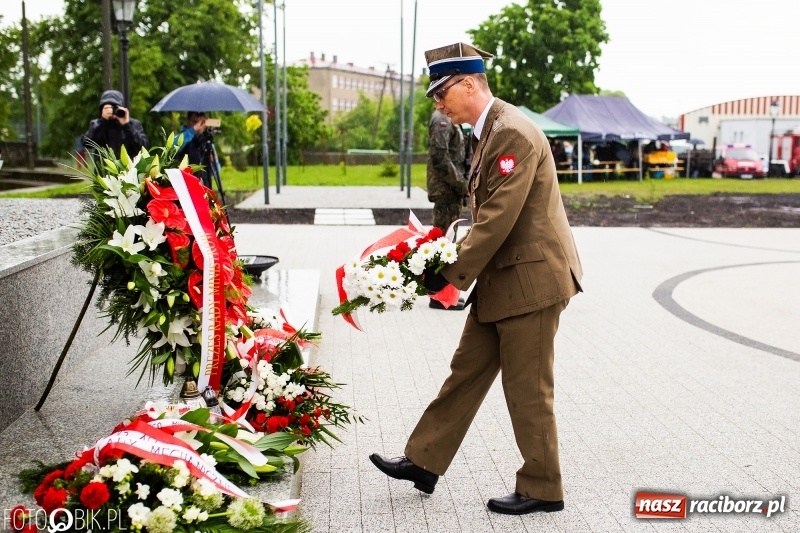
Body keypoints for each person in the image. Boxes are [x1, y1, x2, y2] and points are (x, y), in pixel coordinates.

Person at [369, 42, 583, 516]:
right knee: (465, 373)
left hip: (531, 283)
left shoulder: (512, 135)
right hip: (506, 278)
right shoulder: (491, 131)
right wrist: (436, 256)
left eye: (442, 92)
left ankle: (543, 488)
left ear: (470, 83)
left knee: (528, 389)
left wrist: (445, 274)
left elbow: (497, 220)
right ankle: (424, 461)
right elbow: (484, 216)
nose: (438, 103)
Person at [426, 108, 468, 310]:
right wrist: (462, 184)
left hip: (450, 189)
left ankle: (444, 293)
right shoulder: (442, 120)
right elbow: (440, 158)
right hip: (446, 188)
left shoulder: (449, 118)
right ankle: (438, 296)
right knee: (442, 242)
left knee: (447, 241)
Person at [83, 90, 148, 164]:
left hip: (129, 172)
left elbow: (143, 147)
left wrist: (126, 125)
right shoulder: (97, 124)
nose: (111, 111)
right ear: (102, 109)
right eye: (107, 108)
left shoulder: (133, 124)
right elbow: (87, 143)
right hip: (104, 172)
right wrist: (104, 121)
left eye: (114, 107)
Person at [175, 111, 216, 189]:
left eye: (201, 122)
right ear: (188, 121)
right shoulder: (183, 136)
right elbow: (174, 146)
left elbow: (216, 169)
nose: (199, 125)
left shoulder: (206, 141)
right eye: (195, 122)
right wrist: (193, 130)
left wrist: (213, 160)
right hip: (185, 185)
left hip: (204, 186)